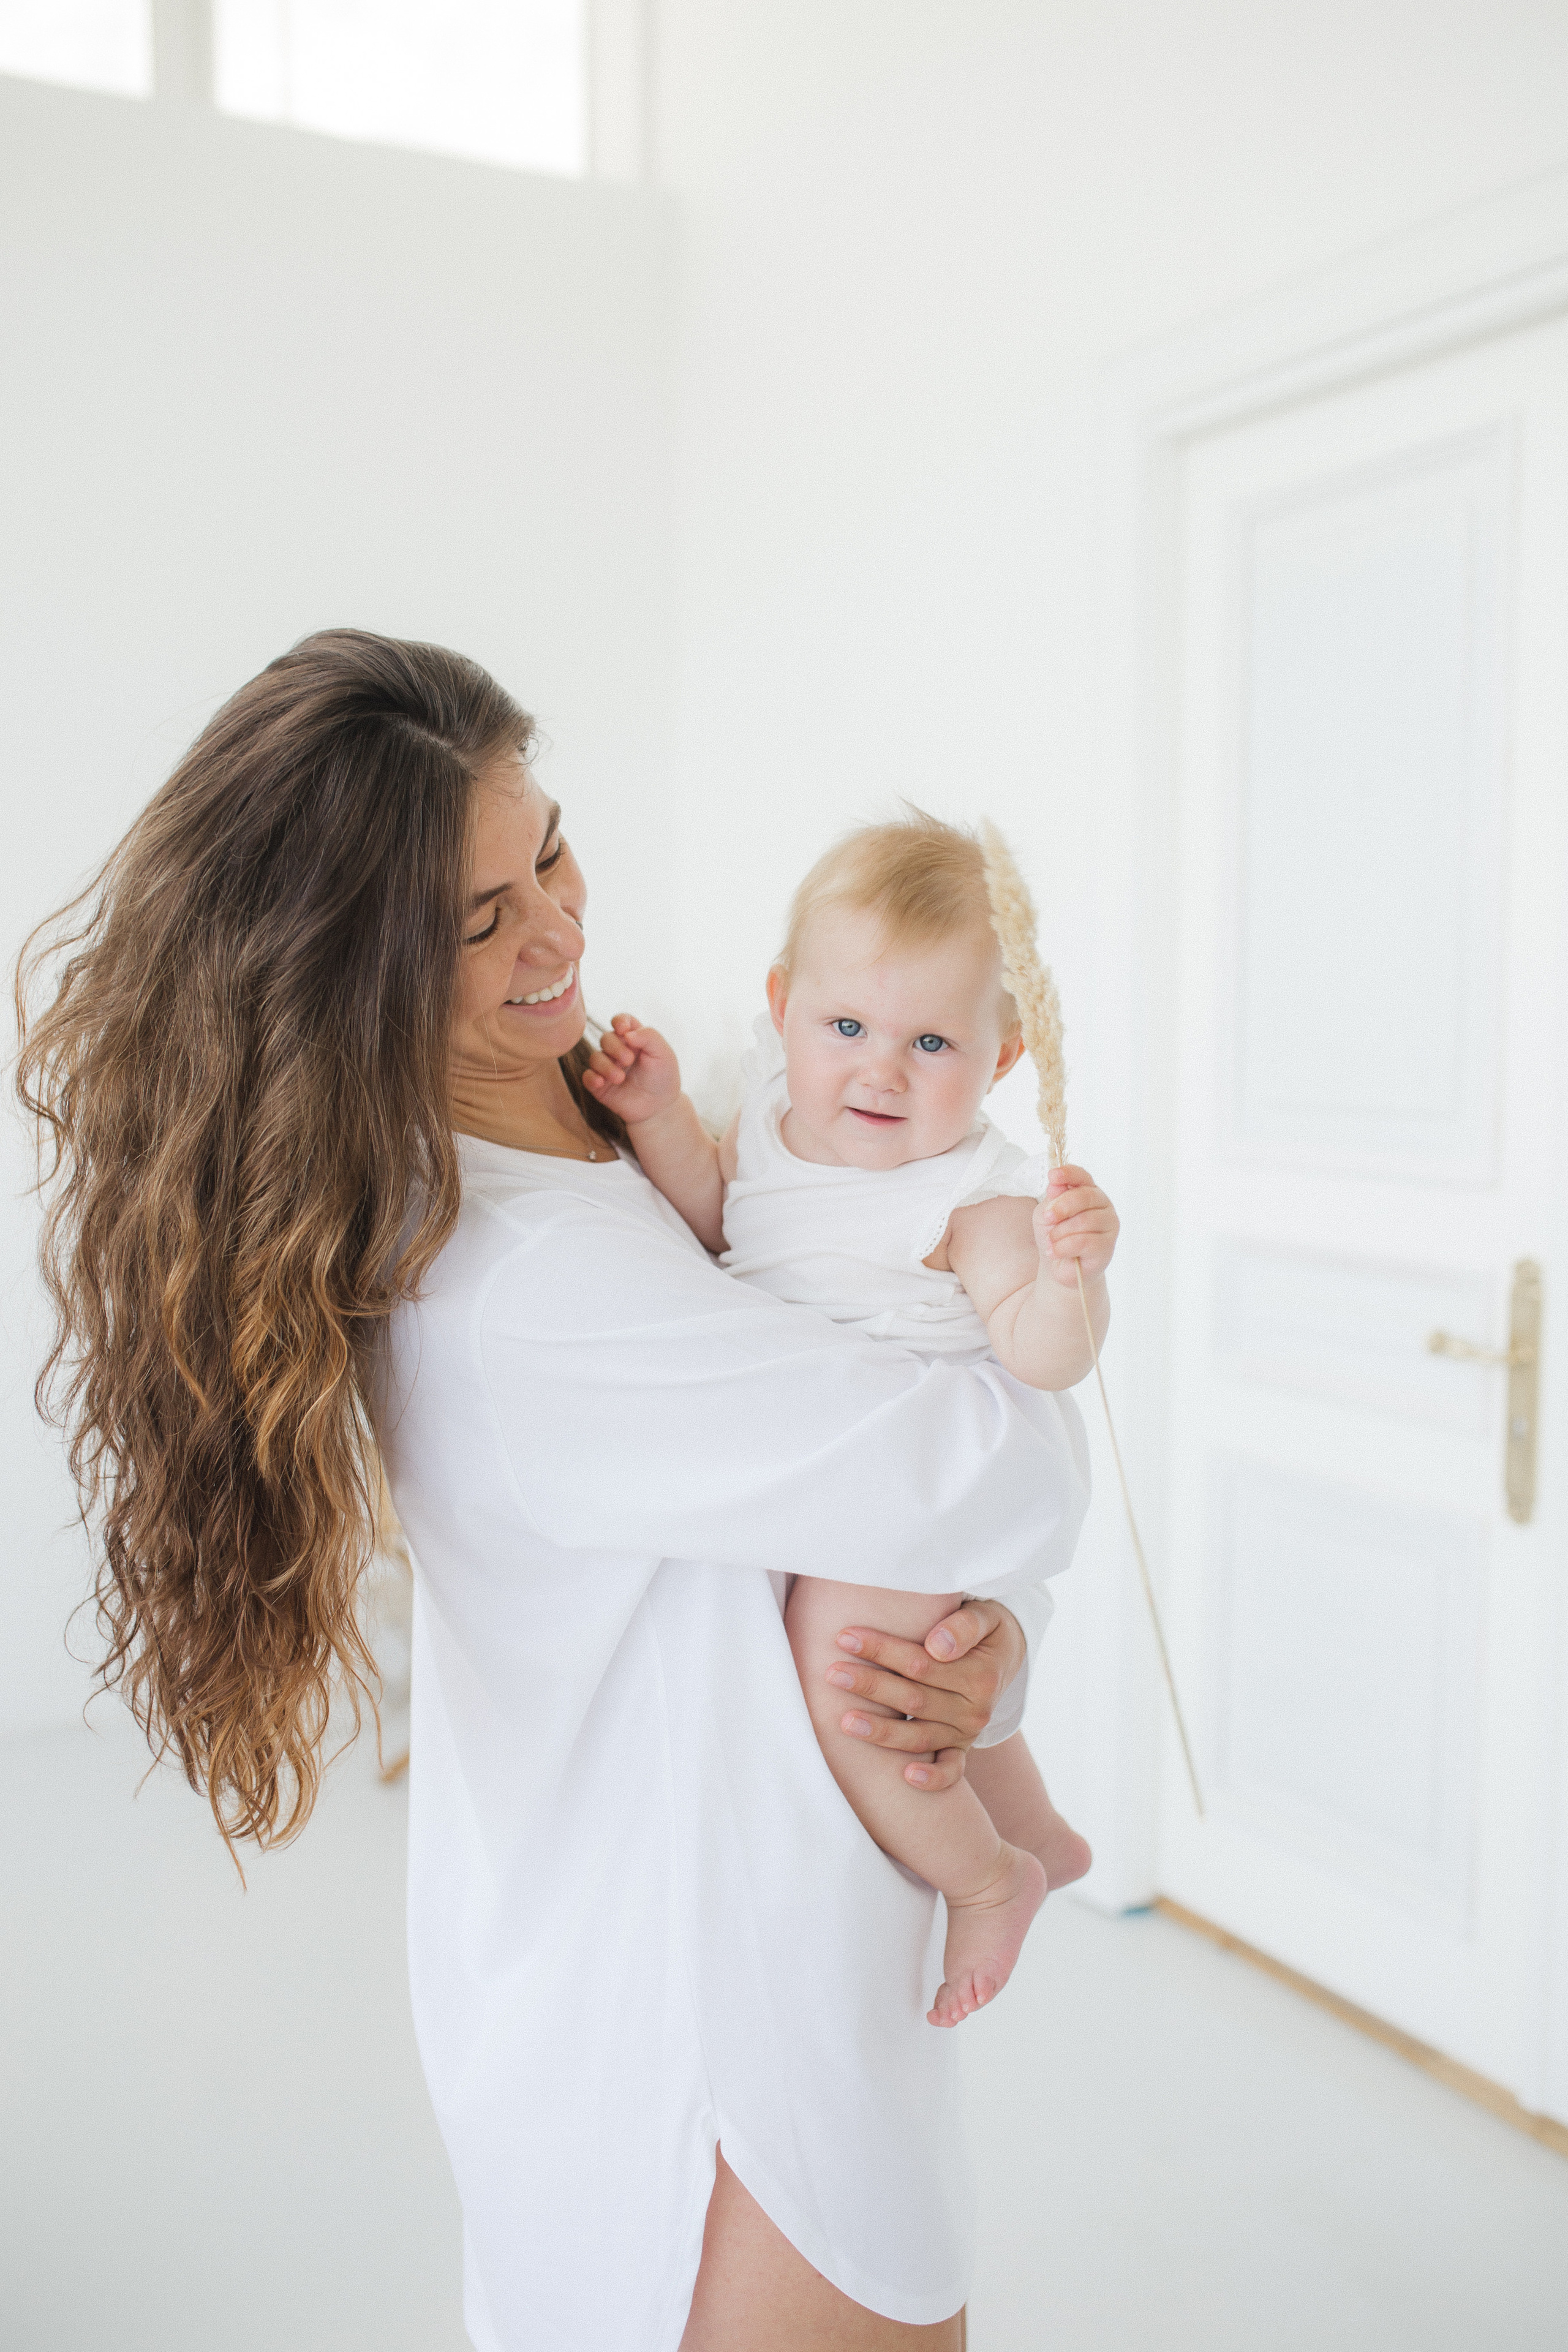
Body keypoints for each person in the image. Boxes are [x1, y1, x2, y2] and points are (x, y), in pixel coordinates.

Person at [17, 630, 1088, 2352]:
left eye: (553, 851)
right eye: (479, 919)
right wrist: (996, 1569)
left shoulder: (588, 1129)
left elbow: (874, 1509)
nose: (561, 932)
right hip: (712, 2039)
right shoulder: (522, 1289)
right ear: (355, 971)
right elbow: (991, 1474)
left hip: (748, 1941)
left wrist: (991, 1660)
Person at [583, 813, 1110, 2028]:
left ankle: (985, 1877)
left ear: (1003, 1056)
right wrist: (659, 1116)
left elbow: (1041, 1357)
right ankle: (1028, 1822)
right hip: (834, 1467)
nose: (879, 1072)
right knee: (907, 1681)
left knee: (850, 1676)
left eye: (931, 1041)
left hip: (915, 1487)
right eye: (847, 1029)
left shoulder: (967, 1197)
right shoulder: (776, 1121)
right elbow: (723, 1225)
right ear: (781, 1007)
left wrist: (1071, 1275)